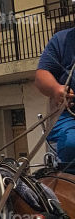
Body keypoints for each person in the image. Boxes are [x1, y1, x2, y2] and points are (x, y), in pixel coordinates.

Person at [35, 22, 75, 167]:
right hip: (68, 117)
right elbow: (42, 75)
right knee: (72, 143)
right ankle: (67, 175)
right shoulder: (61, 40)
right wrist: (56, 89)